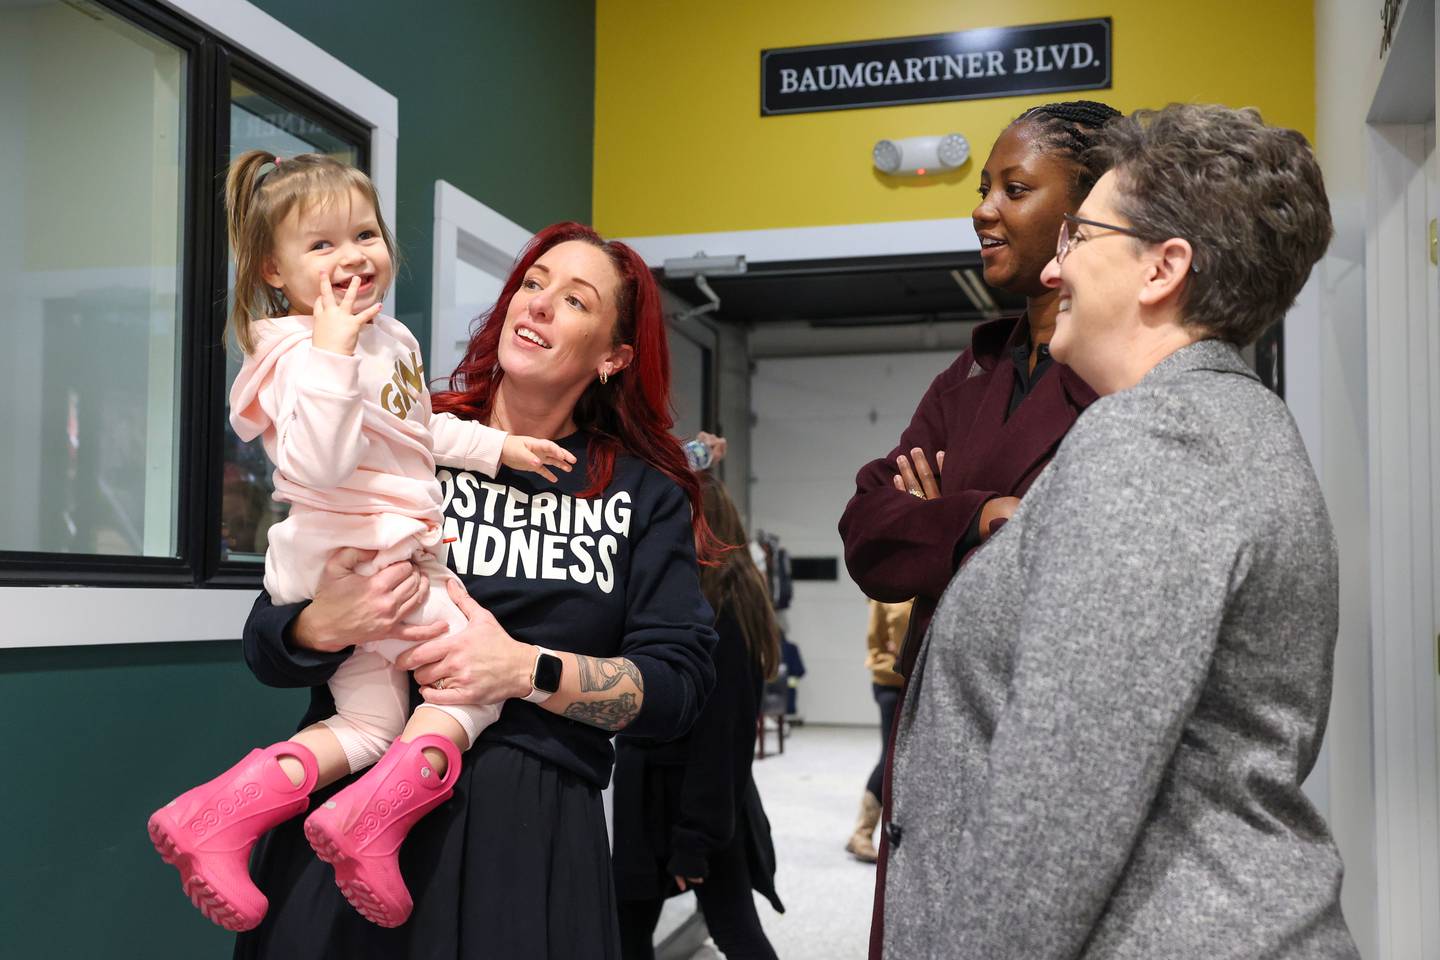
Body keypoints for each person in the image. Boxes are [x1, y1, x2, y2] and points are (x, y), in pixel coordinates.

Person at [884, 104, 1360, 958]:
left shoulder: (1154, 441)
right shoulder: (1222, 422)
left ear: (1161, 269)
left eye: (1080, 235)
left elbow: (1059, 806)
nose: (1057, 264)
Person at [227, 221, 720, 959]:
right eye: (532, 283)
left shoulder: (642, 494)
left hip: (526, 843)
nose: (540, 305)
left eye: (576, 301)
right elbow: (266, 640)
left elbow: (678, 688)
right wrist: (319, 624)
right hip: (347, 827)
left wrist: (524, 669)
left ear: (615, 357)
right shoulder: (407, 429)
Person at [146, 151, 574, 933]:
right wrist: (332, 352)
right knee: (475, 683)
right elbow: (318, 461)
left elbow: (414, 431)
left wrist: (495, 449)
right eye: (322, 245)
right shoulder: (295, 354)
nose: (353, 256)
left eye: (366, 234)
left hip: (381, 548)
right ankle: (367, 826)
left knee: (371, 730)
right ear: (275, 270)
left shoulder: (391, 340)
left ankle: (218, 817)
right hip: (364, 557)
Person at [836, 99, 1119, 949]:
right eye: (984, 186)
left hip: (1038, 762)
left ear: (1086, 215)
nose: (982, 207)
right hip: (932, 754)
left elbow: (1077, 569)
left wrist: (935, 517)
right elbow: (867, 534)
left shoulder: (1120, 379)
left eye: (1015, 188)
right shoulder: (972, 370)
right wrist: (979, 518)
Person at [612, 472, 784, 960]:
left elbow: (722, 738)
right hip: (664, 799)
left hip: (693, 803)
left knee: (734, 930)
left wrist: (695, 838)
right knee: (630, 928)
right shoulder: (709, 597)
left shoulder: (724, 611)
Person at [844, 598, 909, 864]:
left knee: (906, 760)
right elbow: (876, 646)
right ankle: (862, 832)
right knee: (890, 758)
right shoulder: (890, 595)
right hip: (891, 684)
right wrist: (899, 658)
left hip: (923, 683)